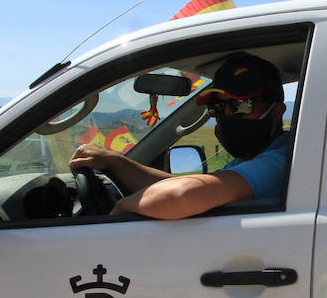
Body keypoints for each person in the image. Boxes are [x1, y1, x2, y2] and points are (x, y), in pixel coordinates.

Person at [69, 52, 290, 220]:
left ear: (277, 111)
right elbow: (188, 185)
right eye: (217, 106)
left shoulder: (280, 162)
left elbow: (183, 194)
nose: (227, 115)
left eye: (242, 105)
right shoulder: (254, 157)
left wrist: (120, 212)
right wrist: (117, 162)